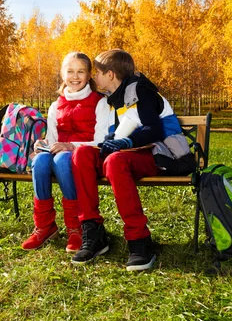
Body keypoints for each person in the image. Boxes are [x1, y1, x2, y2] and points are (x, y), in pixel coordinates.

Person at [70, 49, 194, 271]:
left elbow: (153, 129)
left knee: (115, 161)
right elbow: (116, 135)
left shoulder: (141, 90)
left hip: (163, 154)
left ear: (110, 74)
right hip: (131, 155)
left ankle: (140, 240)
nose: (93, 77)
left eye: (97, 72)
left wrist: (125, 143)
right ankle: (93, 232)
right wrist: (112, 141)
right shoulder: (112, 100)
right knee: (82, 155)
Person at [22, 52, 109, 252]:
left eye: (81, 72)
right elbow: (53, 139)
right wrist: (42, 144)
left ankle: (75, 227)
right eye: (70, 71)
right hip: (59, 154)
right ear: (62, 75)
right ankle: (44, 226)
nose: (75, 76)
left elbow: (102, 140)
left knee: (62, 159)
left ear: (89, 76)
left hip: (85, 157)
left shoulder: (99, 102)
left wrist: (71, 146)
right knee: (41, 161)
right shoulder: (56, 105)